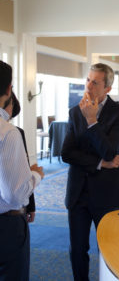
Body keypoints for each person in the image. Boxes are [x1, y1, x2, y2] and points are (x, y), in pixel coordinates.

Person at [61, 63, 119, 281]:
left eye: (95, 82)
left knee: (108, 250)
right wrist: (100, 163)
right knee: (78, 250)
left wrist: (92, 121)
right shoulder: (75, 111)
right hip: (78, 192)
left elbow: (110, 152)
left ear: (107, 88)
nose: (89, 86)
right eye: (88, 80)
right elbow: (66, 153)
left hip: (107, 194)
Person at [0, 60, 44, 281]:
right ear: (9, 89)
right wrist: (36, 175)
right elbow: (15, 194)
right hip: (6, 226)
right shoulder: (8, 133)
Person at [4, 91, 36, 223]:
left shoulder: (17, 132)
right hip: (10, 211)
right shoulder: (12, 133)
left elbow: (24, 170)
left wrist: (31, 206)